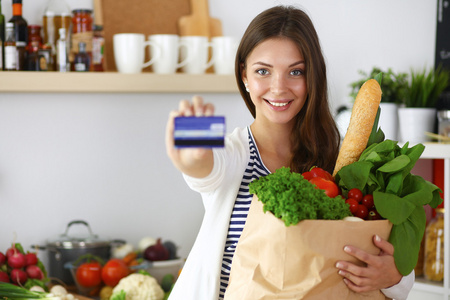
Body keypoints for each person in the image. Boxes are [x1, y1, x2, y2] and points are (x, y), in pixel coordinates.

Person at [165, 5, 414, 300]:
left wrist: (395, 275)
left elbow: (386, 248)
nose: (279, 87)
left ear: (312, 78)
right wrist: (192, 157)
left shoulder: (342, 160)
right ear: (244, 75)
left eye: (295, 71)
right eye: (263, 71)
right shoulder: (233, 153)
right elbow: (205, 169)